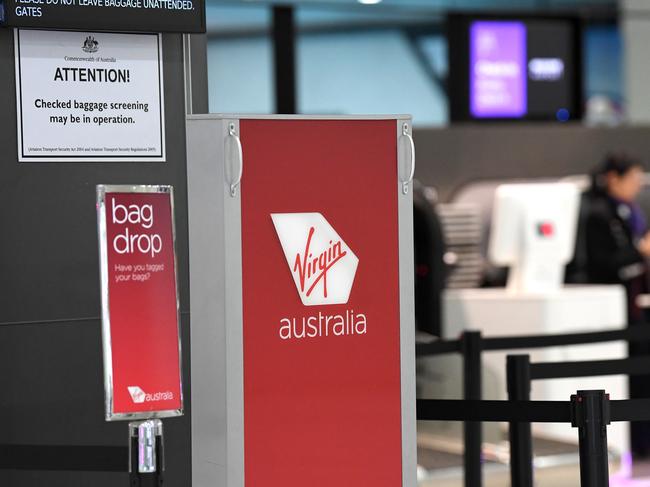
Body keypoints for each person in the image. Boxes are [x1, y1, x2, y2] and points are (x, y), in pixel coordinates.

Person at [584, 153, 650, 458]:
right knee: (633, 378)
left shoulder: (630, 211)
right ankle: (637, 444)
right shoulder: (597, 212)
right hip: (614, 309)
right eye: (633, 178)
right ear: (613, 177)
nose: (637, 185)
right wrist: (640, 251)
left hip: (636, 304)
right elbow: (604, 264)